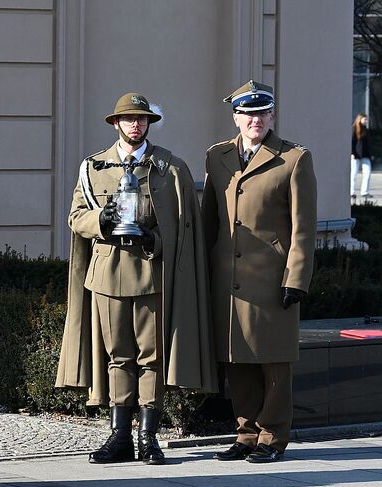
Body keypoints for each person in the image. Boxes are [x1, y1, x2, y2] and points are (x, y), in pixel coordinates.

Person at [57, 92, 216, 465]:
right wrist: (101, 221)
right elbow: (76, 217)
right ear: (116, 123)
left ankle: (148, 437)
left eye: (142, 119)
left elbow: (184, 228)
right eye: (128, 119)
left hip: (150, 272)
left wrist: (154, 240)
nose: (136, 124)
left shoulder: (170, 168)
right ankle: (120, 436)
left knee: (151, 357)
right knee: (118, 356)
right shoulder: (93, 167)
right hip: (108, 274)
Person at [202, 80, 317, 463]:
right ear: (235, 117)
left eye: (263, 112)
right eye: (248, 113)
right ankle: (246, 432)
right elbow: (209, 222)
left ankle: (272, 435)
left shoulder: (293, 159)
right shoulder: (216, 157)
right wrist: (201, 275)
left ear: (272, 116)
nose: (256, 120)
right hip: (228, 280)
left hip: (272, 278)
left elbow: (304, 226)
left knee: (273, 361)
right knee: (237, 358)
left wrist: (296, 279)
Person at [352, 113, 372, 200]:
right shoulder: (354, 129)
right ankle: (351, 192)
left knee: (367, 173)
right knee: (354, 174)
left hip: (366, 155)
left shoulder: (366, 130)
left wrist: (370, 155)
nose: (366, 121)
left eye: (367, 119)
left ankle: (364, 192)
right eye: (365, 119)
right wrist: (352, 153)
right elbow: (352, 142)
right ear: (360, 119)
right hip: (356, 155)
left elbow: (368, 144)